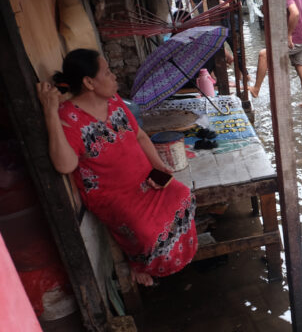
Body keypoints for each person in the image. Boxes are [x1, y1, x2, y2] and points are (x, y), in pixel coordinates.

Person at [36, 49, 198, 286]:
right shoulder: (67, 117)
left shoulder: (114, 101)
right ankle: (140, 264)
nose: (114, 77)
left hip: (145, 179)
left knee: (182, 195)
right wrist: (50, 112)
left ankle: (172, 257)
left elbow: (141, 136)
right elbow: (65, 165)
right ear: (89, 82)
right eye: (108, 72)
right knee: (146, 232)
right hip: (113, 195)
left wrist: (159, 166)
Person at [248, 0, 302, 110]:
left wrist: (288, 34)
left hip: (293, 40)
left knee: (263, 55)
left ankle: (256, 89)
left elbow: (294, 13)